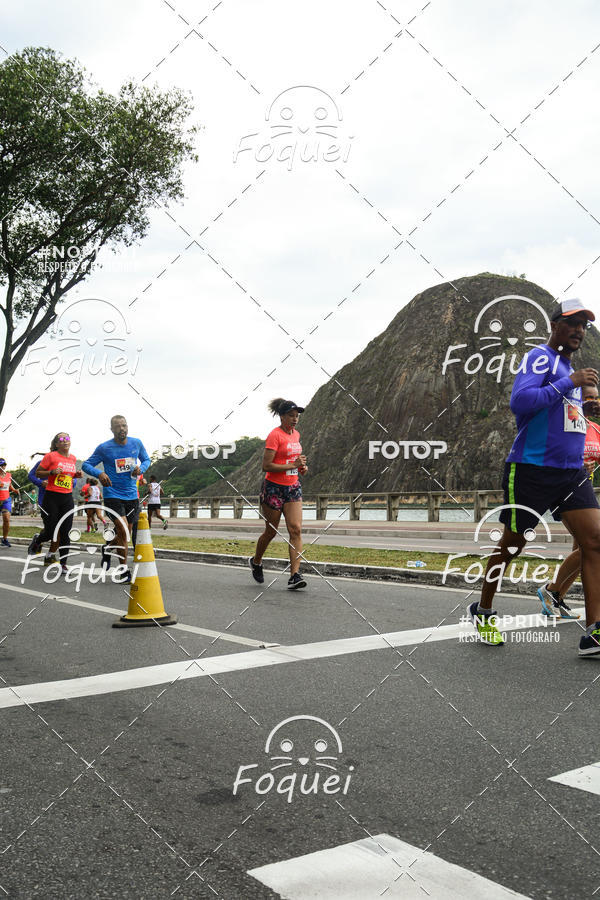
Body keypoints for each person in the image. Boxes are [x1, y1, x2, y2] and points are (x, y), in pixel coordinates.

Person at [469, 298, 600, 657]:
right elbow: (522, 402)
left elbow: (560, 414)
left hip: (571, 472)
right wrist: (569, 382)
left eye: (584, 325)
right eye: (572, 323)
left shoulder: (567, 368)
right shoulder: (541, 357)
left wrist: (584, 409)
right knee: (513, 545)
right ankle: (483, 611)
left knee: (595, 541)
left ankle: (594, 631)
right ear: (554, 325)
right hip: (532, 468)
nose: (578, 331)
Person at [537, 384, 600, 617]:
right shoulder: (567, 426)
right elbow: (552, 449)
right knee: (589, 546)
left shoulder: (594, 428)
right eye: (587, 398)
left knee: (583, 548)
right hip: (566, 488)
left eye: (596, 397)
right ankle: (552, 591)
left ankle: (556, 598)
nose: (593, 401)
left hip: (586, 492)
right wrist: (577, 462)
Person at [82, 415, 150, 582]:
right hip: (112, 494)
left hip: (132, 495)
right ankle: (124, 571)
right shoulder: (104, 448)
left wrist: (141, 468)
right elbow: (86, 465)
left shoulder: (136, 443)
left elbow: (147, 459)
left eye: (124, 425)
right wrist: (100, 473)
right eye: (118, 426)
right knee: (123, 529)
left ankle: (107, 548)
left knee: (124, 532)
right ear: (111, 429)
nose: (122, 429)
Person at [249, 398, 308, 590]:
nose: (295, 419)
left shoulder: (296, 435)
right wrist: (293, 465)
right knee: (271, 531)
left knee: (295, 529)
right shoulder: (274, 436)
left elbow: (292, 459)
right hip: (273, 488)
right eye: (291, 415)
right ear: (282, 416)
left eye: (297, 416)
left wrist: (301, 468)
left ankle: (295, 575)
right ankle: (256, 561)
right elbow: (266, 465)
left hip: (292, 487)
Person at [27, 434, 82, 573]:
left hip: (67, 498)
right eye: (62, 440)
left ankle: (63, 564)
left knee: (65, 531)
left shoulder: (73, 458)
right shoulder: (50, 457)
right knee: (51, 531)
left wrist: (76, 476)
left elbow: (68, 477)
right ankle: (38, 540)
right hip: (51, 497)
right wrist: (51, 473)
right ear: (56, 444)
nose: (65, 442)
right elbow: (37, 473)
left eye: (68, 439)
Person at [0, 458, 20, 548]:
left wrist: (14, 490)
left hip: (6, 500)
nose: (2, 467)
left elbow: (10, 485)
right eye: (1, 466)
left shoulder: (9, 475)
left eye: (3, 465)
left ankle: (4, 539)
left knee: (6, 519)